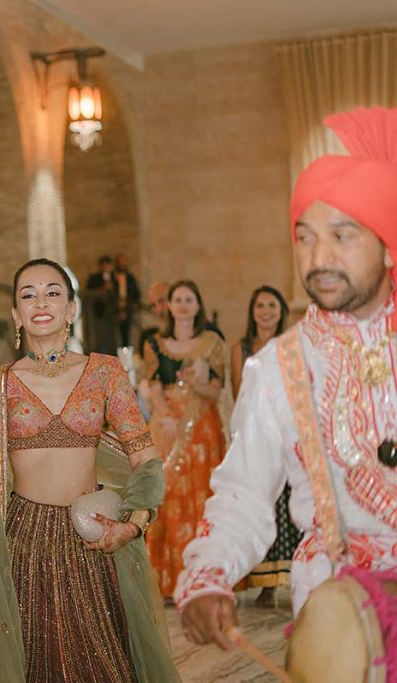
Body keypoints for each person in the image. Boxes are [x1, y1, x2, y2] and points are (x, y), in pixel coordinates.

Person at [0, 258, 178, 682]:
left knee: (104, 665)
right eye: (28, 294)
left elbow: (145, 459)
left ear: (71, 308)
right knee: (36, 663)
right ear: (15, 314)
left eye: (52, 292)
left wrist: (131, 525)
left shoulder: (104, 372)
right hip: (25, 540)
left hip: (92, 535)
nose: (40, 301)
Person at [178, 107, 397, 650]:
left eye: (342, 235)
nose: (319, 257)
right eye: (304, 238)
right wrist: (207, 576)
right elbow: (245, 494)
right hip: (340, 621)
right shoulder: (278, 366)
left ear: (388, 244)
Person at [141, 280, 226, 598]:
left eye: (189, 299)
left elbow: (217, 389)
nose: (183, 304)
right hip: (167, 429)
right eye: (178, 299)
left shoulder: (212, 342)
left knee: (203, 499)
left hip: (202, 427)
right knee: (169, 499)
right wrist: (168, 417)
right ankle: (168, 581)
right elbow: (152, 385)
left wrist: (195, 385)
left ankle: (204, 580)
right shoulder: (155, 343)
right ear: (169, 305)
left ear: (198, 304)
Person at [230, 286, 300, 606]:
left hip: (288, 434)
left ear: (281, 310)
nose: (266, 310)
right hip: (256, 435)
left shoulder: (292, 346)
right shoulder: (241, 349)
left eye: (272, 304)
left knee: (292, 508)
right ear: (252, 311)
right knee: (264, 507)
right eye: (260, 305)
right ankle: (266, 583)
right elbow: (237, 394)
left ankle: (295, 578)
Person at [84, 255, 120, 354]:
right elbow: (88, 293)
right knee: (100, 336)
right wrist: (103, 290)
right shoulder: (94, 278)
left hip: (112, 313)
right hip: (98, 313)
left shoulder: (115, 278)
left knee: (112, 338)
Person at [114, 254, 141, 348]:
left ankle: (125, 352)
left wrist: (134, 303)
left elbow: (136, 292)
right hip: (114, 309)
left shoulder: (130, 278)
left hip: (127, 307)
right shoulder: (112, 277)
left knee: (126, 332)